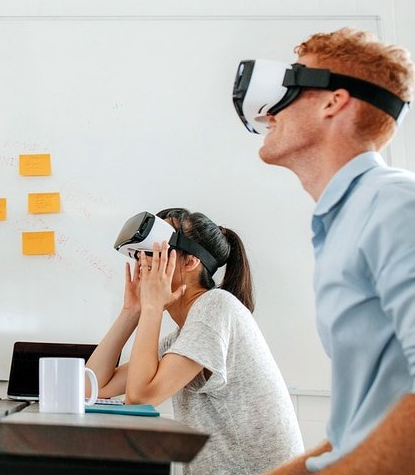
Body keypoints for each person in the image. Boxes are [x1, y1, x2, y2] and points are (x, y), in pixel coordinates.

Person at [243, 29, 415, 473]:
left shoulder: (394, 205)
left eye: (288, 89)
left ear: (331, 102)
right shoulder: (341, 221)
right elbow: (351, 434)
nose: (267, 113)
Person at [89, 208, 303, 474]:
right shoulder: (182, 338)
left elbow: (140, 397)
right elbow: (93, 388)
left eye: (156, 252)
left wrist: (153, 307)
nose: (144, 262)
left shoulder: (215, 307)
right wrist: (131, 311)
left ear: (191, 262)